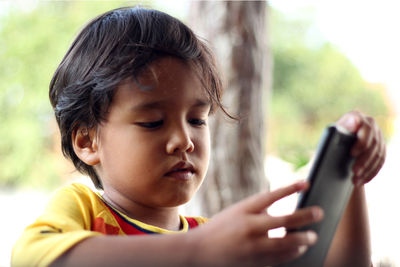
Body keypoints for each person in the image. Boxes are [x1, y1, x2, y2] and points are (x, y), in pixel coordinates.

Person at [11, 6, 385, 267]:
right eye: (153, 122)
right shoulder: (85, 212)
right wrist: (195, 252)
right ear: (86, 142)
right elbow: (33, 257)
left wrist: (350, 172)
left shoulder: (216, 242)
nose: (184, 141)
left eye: (197, 119)